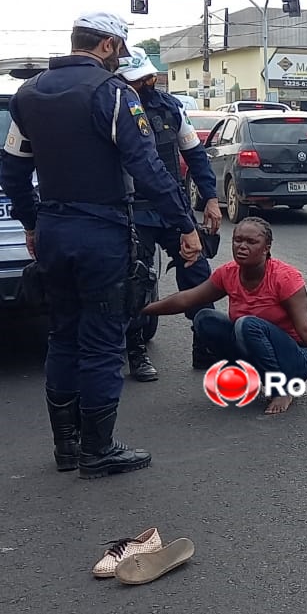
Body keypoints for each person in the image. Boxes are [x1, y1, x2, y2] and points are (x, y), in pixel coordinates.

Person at [0, 11, 203, 478]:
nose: (120, 61)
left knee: (63, 335)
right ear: (107, 45)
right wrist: (184, 227)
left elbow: (12, 172)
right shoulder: (112, 95)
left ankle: (66, 448)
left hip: (52, 229)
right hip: (101, 233)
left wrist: (32, 223)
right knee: (103, 340)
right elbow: (149, 169)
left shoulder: (27, 95)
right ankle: (97, 448)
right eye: (120, 52)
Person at [142, 216, 307, 415]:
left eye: (251, 242)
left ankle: (282, 390)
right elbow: (187, 299)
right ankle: (248, 377)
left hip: (295, 360)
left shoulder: (284, 277)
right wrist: (142, 309)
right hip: (257, 349)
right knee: (205, 319)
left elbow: (306, 328)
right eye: (238, 240)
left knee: (247, 324)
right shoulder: (228, 273)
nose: (242, 246)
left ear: (266, 248)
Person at [113, 46, 223, 382]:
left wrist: (210, 198)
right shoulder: (111, 108)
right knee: (137, 279)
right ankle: (136, 350)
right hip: (133, 210)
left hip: (172, 209)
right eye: (135, 79)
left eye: (146, 77)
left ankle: (205, 343)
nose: (145, 83)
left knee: (199, 274)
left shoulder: (170, 108)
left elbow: (195, 154)